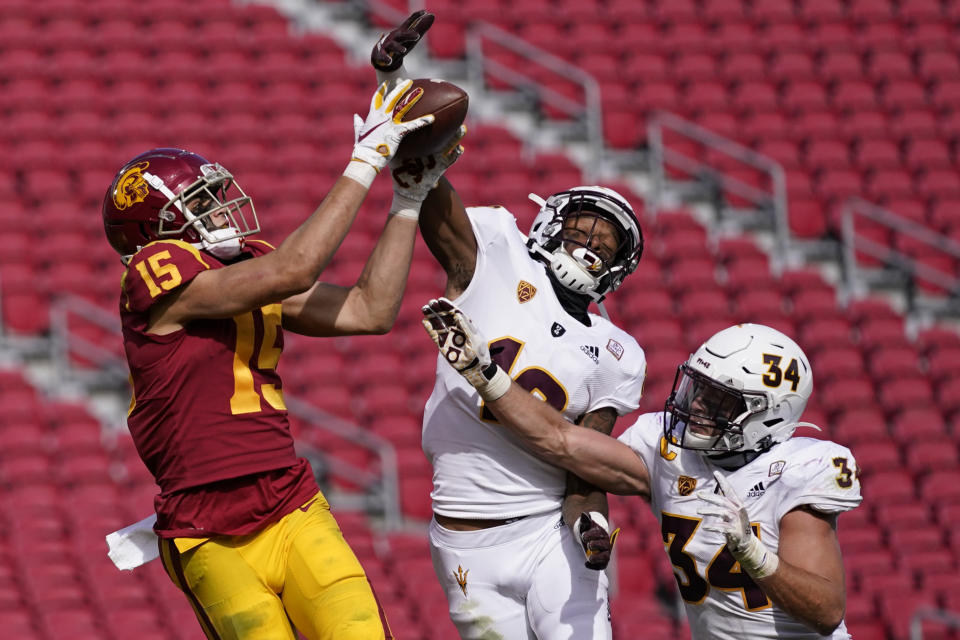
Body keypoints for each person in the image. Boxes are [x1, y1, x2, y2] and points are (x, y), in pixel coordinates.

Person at [100, 80, 463, 640]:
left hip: (290, 502)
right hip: (206, 529)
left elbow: (370, 310)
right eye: (197, 203)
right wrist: (365, 157)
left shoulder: (249, 267)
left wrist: (407, 204)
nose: (218, 209)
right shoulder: (154, 273)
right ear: (153, 232)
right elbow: (293, 271)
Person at [372, 12, 647, 639]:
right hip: (466, 540)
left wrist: (591, 521)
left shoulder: (616, 350)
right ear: (551, 221)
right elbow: (425, 175)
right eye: (582, 227)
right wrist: (395, 81)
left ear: (620, 269)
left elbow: (588, 462)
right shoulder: (496, 246)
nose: (590, 245)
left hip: (549, 530)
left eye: (606, 242)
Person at [422, 307, 863, 640]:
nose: (696, 408)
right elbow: (564, 442)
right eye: (697, 390)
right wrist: (486, 375)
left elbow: (826, 611)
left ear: (767, 416)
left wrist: (754, 554)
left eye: (718, 402)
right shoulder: (666, 447)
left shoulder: (800, 470)